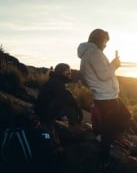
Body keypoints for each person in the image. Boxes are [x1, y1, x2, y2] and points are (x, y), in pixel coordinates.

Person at [77, 28, 131, 167]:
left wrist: (112, 66)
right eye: (105, 41)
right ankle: (103, 161)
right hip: (106, 97)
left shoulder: (87, 54)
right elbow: (104, 74)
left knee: (125, 115)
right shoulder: (94, 53)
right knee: (110, 128)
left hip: (106, 95)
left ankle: (108, 137)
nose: (106, 45)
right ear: (99, 39)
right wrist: (114, 64)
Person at [34, 63, 83, 132]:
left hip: (42, 112)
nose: (70, 75)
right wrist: (78, 110)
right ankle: (74, 129)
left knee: (67, 103)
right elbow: (67, 98)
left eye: (70, 73)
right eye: (68, 73)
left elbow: (66, 95)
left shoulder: (54, 80)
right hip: (44, 115)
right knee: (69, 106)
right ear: (61, 73)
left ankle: (72, 126)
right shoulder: (57, 83)